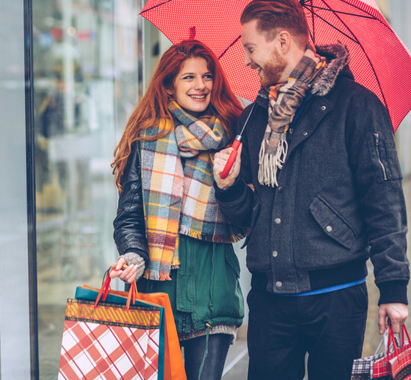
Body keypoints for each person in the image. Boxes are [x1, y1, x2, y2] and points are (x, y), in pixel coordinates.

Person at [212, 1, 410, 379]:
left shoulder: (357, 106)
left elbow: (384, 201)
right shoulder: (253, 117)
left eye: (251, 48)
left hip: (337, 297)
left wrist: (393, 288)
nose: (247, 62)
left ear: (283, 41)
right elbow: (247, 215)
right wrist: (229, 187)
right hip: (270, 300)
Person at [110, 39, 246, 380]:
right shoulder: (146, 140)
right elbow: (128, 215)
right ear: (169, 84)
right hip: (158, 288)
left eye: (207, 76)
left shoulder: (233, 135)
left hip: (214, 290)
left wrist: (229, 184)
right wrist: (134, 255)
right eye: (189, 77)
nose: (200, 85)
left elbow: (247, 217)